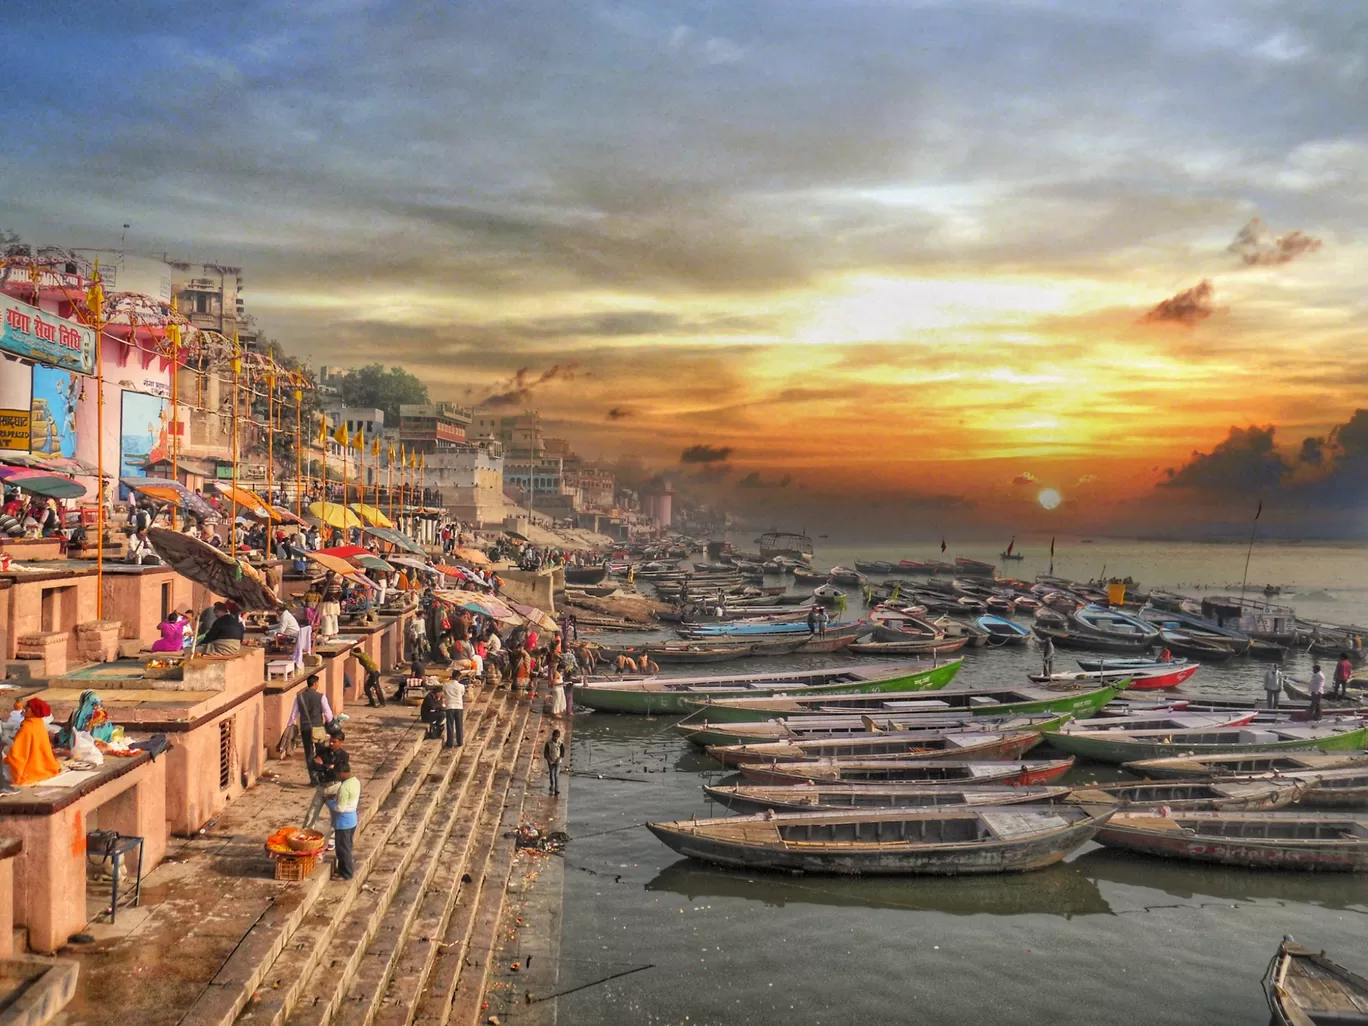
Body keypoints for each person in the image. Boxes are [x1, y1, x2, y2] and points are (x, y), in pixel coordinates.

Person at [5, 699, 60, 786]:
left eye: (28, 706)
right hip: (44, 767)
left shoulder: (27, 727)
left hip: (28, 772)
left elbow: (17, 755)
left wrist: (5, 760)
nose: (25, 708)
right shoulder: (39, 723)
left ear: (34, 711)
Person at [289, 676, 333, 783]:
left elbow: (294, 714)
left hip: (305, 728)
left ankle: (313, 778)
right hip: (318, 728)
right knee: (321, 751)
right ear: (315, 684)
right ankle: (322, 775)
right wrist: (329, 723)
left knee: (309, 753)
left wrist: (289, 726)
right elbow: (328, 714)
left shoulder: (299, 697)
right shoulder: (321, 697)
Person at [303, 732, 347, 830]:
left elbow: (336, 772)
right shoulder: (323, 752)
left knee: (335, 814)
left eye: (334, 742)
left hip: (334, 788)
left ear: (341, 742)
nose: (331, 744)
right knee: (312, 813)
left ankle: (333, 839)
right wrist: (328, 767)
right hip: (322, 786)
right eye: (330, 741)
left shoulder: (343, 756)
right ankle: (305, 835)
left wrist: (323, 766)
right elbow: (314, 766)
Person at [326, 762, 359, 880]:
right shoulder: (355, 781)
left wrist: (329, 801)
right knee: (347, 846)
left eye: (337, 774)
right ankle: (344, 869)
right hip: (353, 819)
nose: (337, 777)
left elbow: (340, 808)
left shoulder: (345, 787)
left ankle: (346, 874)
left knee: (342, 849)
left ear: (343, 773)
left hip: (344, 822)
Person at [442, 674, 465, 749]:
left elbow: (444, 694)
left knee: (450, 725)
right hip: (458, 706)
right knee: (459, 725)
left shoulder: (446, 685)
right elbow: (462, 694)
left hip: (450, 707)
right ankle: (460, 742)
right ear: (458, 677)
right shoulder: (461, 686)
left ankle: (450, 742)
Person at [543, 729, 564, 797]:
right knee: (551, 774)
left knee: (556, 775)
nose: (556, 738)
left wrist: (560, 758)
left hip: (558, 761)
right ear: (553, 736)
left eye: (557, 737)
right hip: (551, 761)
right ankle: (552, 785)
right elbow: (545, 753)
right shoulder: (548, 743)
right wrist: (548, 759)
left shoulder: (560, 743)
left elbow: (562, 752)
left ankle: (556, 789)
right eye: (555, 736)